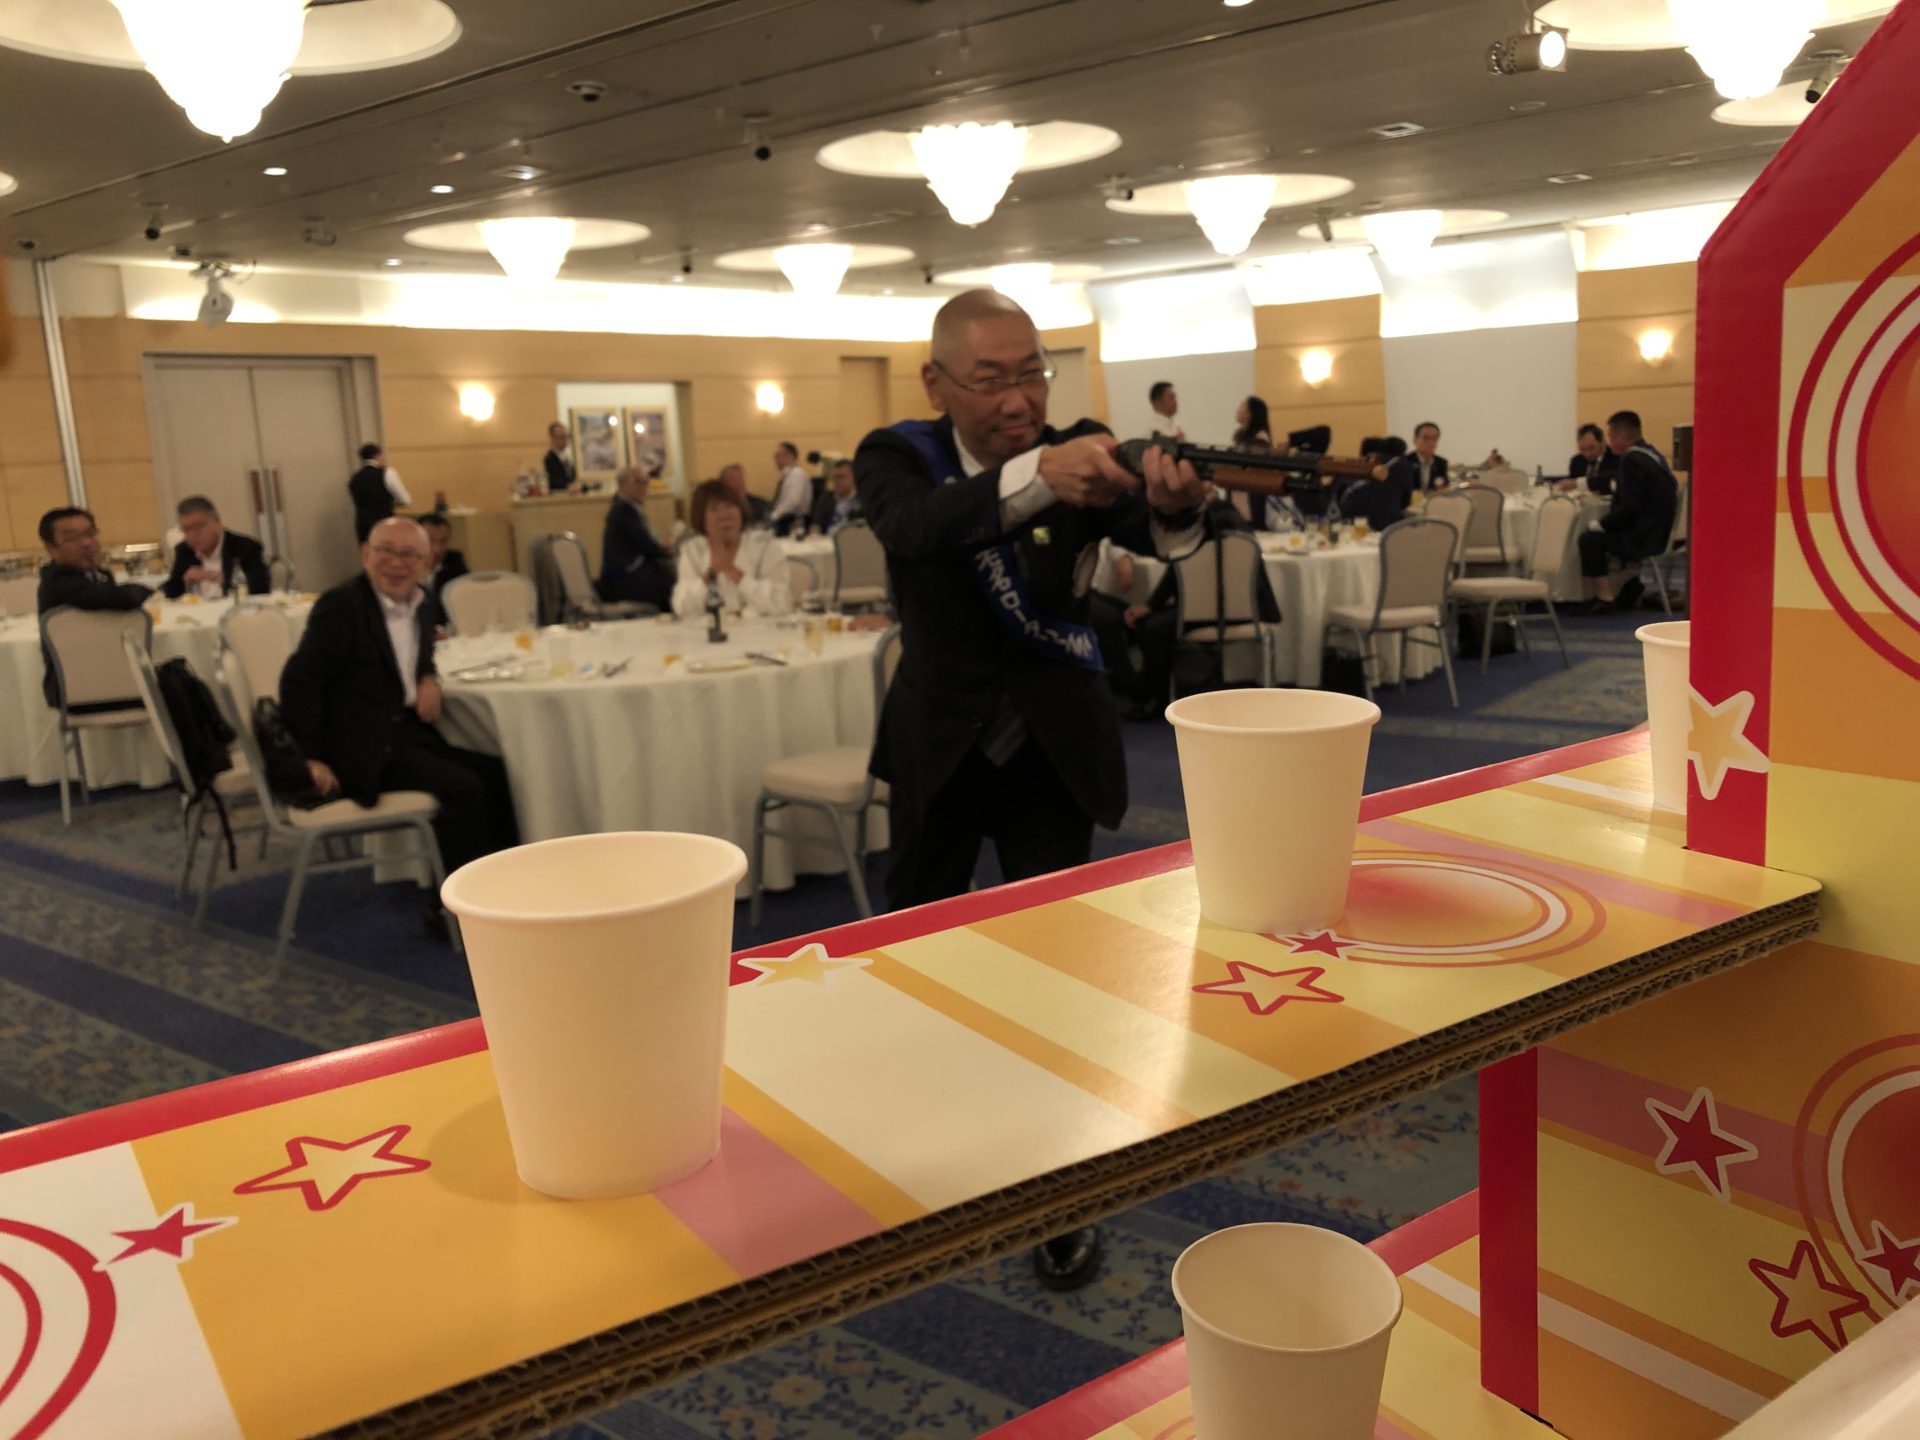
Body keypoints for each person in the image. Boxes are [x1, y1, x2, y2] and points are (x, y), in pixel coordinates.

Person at [278, 517, 519, 932]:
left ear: (426, 563)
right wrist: (311, 757)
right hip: (360, 747)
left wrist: (428, 677)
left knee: (497, 773)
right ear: (365, 554)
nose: (397, 563)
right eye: (386, 551)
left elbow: (414, 657)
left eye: (409, 554)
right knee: (465, 789)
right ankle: (453, 911)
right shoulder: (342, 607)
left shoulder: (422, 603)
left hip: (403, 734)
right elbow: (300, 682)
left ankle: (498, 895)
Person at [35, 506, 151, 709]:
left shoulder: (100, 576)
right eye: (72, 538)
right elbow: (123, 598)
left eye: (90, 534)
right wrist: (149, 591)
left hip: (114, 676)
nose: (86, 543)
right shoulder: (58, 581)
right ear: (51, 549)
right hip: (77, 689)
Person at [1575, 410, 1679, 613]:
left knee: (1590, 539)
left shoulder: (1631, 460)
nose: (1609, 442)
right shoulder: (1652, 454)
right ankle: (1630, 585)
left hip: (1646, 538)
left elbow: (1629, 507)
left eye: (1610, 436)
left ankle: (1605, 597)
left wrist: (1600, 524)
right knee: (1606, 533)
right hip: (1661, 531)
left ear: (1621, 435)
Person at [670, 479, 793, 619]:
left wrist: (732, 571)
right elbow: (682, 608)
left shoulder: (764, 546)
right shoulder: (693, 551)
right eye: (714, 509)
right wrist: (711, 573)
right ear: (701, 518)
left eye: (730, 506)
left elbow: (782, 603)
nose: (724, 515)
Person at [162, 496, 270, 600]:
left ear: (217, 521)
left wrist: (210, 576)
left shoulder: (245, 547)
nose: (192, 535)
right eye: (186, 530)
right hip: (197, 610)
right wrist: (181, 581)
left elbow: (260, 588)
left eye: (198, 527)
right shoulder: (185, 550)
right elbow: (171, 592)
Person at [601, 465, 675, 611]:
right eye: (637, 482)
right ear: (621, 484)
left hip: (625, 575)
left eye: (646, 483)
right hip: (623, 579)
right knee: (672, 588)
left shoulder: (626, 507)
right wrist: (670, 550)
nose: (643, 487)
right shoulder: (623, 510)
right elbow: (647, 545)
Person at [348, 442, 411, 543]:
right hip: (384, 521)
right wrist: (390, 503)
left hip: (363, 524)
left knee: (368, 550)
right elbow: (405, 500)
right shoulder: (387, 473)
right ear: (377, 455)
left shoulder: (355, 478)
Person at [418, 513, 468, 606]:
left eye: (443, 541)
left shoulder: (454, 562)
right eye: (430, 540)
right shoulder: (403, 564)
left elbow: (464, 598)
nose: (437, 549)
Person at [1388, 421, 1450, 495]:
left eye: (1434, 438)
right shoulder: (1405, 461)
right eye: (1426, 438)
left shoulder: (1441, 463)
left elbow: (1443, 487)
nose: (1431, 442)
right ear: (1415, 440)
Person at [767, 442, 814, 536]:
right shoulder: (787, 476)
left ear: (789, 456)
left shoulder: (797, 474)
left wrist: (773, 516)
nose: (775, 459)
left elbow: (792, 502)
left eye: (778, 455)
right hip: (786, 521)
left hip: (793, 523)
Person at [1561, 422, 1619, 495]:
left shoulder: (1617, 458)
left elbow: (1609, 481)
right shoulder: (1576, 461)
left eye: (1591, 448)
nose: (1587, 454)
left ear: (1602, 442)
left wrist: (1579, 483)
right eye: (1582, 449)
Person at [811, 459, 864, 535]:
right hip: (827, 539)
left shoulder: (863, 500)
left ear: (854, 477)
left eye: (841, 477)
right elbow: (816, 526)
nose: (837, 481)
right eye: (835, 477)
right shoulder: (826, 498)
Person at [543, 423, 576, 494]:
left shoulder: (567, 457)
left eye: (566, 437)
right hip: (558, 495)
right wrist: (567, 486)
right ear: (553, 438)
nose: (565, 440)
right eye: (561, 437)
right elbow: (554, 480)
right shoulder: (549, 459)